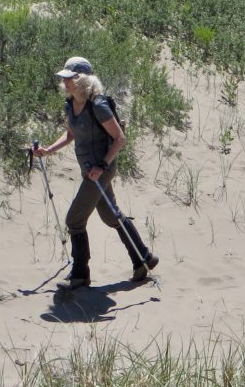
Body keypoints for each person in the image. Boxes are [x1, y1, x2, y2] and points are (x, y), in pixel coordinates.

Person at [33, 56, 159, 289]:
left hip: (101, 170)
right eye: (65, 79)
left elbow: (120, 138)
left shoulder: (98, 105)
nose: (66, 83)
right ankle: (144, 258)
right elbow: (70, 134)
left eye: (70, 78)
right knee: (111, 216)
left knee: (74, 219)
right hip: (88, 171)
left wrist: (101, 165)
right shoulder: (71, 105)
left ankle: (80, 275)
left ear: (83, 80)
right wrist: (48, 150)